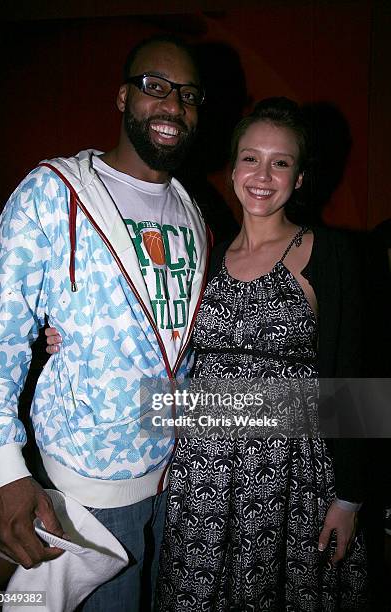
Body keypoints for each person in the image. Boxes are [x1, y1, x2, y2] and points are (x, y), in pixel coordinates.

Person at [0, 35, 209, 611]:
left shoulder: (194, 209)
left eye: (187, 95)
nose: (172, 106)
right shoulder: (53, 193)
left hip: (180, 477)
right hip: (86, 486)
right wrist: (3, 470)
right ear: (122, 96)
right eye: (154, 86)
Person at [152, 98, 368, 611]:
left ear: (299, 177)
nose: (263, 175)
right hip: (203, 479)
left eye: (281, 162)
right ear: (232, 170)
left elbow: (359, 381)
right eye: (251, 158)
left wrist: (351, 496)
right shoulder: (206, 253)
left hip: (290, 480)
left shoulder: (329, 255)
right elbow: (156, 333)